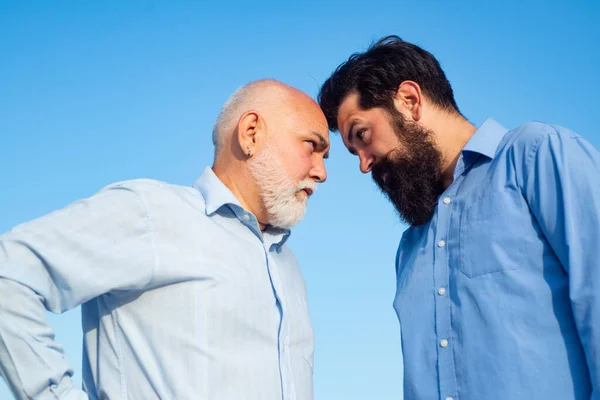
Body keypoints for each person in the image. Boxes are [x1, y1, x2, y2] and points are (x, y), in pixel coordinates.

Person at [0, 79, 329, 400]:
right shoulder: (151, 213)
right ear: (251, 133)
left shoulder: (289, 267)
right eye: (312, 147)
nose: (321, 172)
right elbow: (8, 274)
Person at [318, 35, 600, 400]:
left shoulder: (535, 156)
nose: (363, 163)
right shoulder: (410, 248)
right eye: (354, 151)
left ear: (409, 100)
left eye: (362, 135)